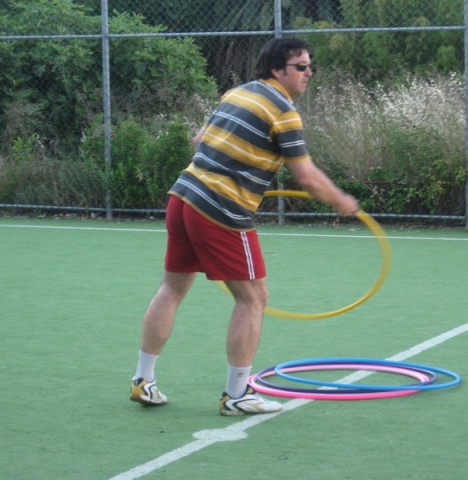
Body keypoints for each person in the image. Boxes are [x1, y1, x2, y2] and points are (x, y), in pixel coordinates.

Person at [130, 37, 360, 416]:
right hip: (220, 208)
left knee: (172, 288)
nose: (309, 73)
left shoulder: (237, 93)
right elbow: (305, 176)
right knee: (253, 298)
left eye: (310, 66)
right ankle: (237, 395)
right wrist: (342, 201)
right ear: (277, 70)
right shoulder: (283, 111)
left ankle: (143, 379)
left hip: (183, 197)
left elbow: (199, 141)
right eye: (301, 67)